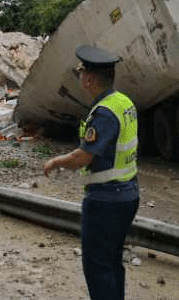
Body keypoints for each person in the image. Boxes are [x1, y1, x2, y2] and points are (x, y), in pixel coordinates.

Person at [43, 45, 139, 300]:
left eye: (82, 73)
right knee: (112, 263)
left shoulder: (105, 113)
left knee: (97, 267)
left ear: (88, 79)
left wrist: (56, 162)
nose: (81, 78)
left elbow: (82, 157)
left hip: (107, 200)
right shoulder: (123, 102)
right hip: (127, 194)